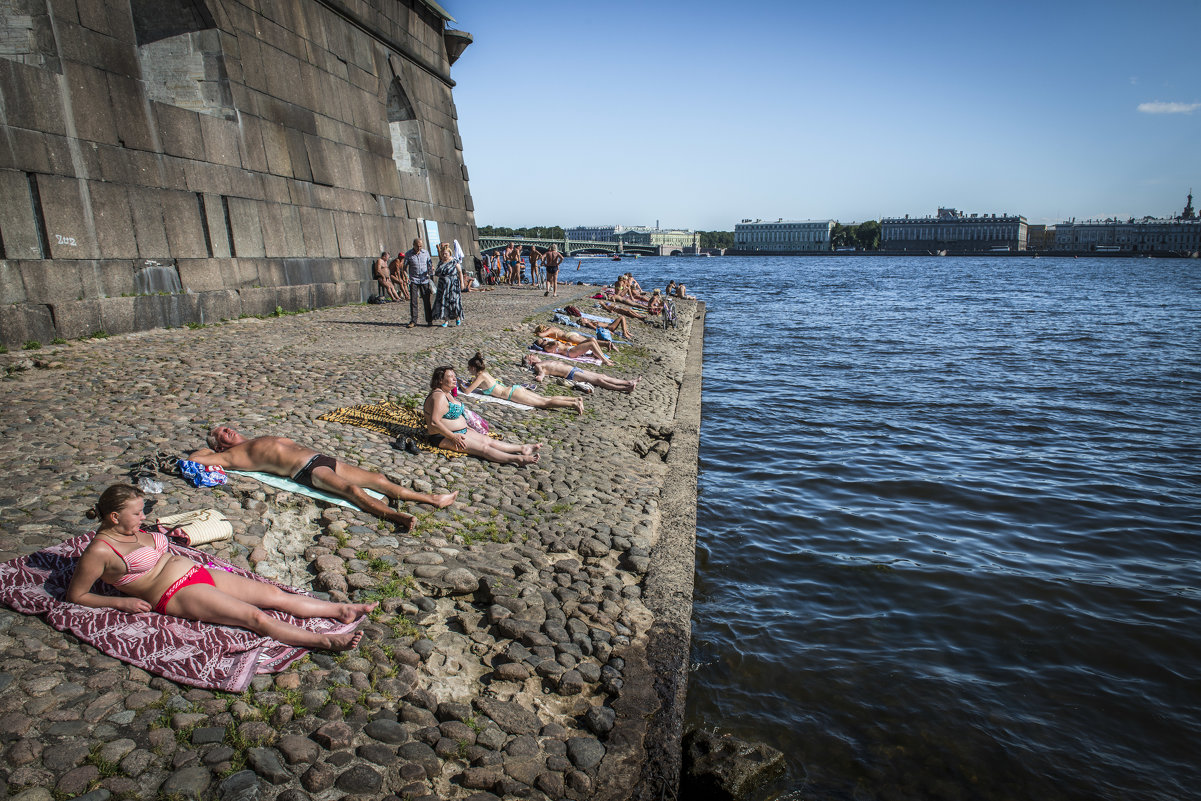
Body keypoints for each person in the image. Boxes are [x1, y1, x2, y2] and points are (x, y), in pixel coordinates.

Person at [66, 485, 372, 650]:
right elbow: (76, 596)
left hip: (196, 572)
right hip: (174, 593)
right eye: (136, 513)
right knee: (255, 617)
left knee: (271, 593)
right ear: (114, 517)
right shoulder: (99, 551)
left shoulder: (132, 530)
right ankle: (328, 641)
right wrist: (122, 602)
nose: (143, 517)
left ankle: (340, 612)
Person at [189, 427, 457, 531]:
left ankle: (433, 500)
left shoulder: (253, 440)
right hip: (306, 470)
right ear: (220, 447)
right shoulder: (232, 456)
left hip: (320, 458)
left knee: (377, 478)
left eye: (226, 427)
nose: (227, 430)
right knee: (351, 490)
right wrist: (210, 450)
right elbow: (197, 458)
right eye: (221, 434)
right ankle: (395, 516)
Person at [423, 367, 541, 465]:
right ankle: (518, 459)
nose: (455, 379)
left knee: (488, 441)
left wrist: (466, 426)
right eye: (450, 376)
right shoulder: (437, 396)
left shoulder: (446, 393)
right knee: (483, 449)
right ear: (440, 380)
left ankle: (522, 448)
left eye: (454, 375)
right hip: (444, 436)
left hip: (461, 431)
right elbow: (434, 422)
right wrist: (453, 437)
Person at [463, 352, 583, 414]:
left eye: (469, 368)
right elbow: (473, 385)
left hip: (512, 394)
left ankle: (573, 405)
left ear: (474, 368)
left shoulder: (480, 376)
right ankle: (574, 400)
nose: (468, 370)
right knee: (545, 398)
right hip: (514, 389)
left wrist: (458, 385)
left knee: (544, 403)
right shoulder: (484, 374)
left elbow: (468, 391)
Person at [523, 353, 639, 393]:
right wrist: (539, 377)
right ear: (530, 361)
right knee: (599, 381)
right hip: (571, 374)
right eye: (531, 356)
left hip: (573, 369)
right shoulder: (538, 365)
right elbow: (541, 373)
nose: (533, 355)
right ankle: (625, 388)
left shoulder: (543, 361)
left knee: (602, 376)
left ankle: (628, 382)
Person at [431, 242, 464, 327]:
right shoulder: (441, 262)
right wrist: (433, 270)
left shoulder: (454, 261)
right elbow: (437, 273)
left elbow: (460, 272)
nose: (444, 255)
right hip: (443, 285)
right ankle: (446, 320)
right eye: (443, 254)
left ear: (449, 253)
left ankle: (457, 318)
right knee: (444, 302)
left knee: (454, 302)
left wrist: (462, 283)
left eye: (446, 253)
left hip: (453, 285)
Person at [404, 237, 433, 328]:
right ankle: (413, 320)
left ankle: (429, 320)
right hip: (414, 280)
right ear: (413, 245)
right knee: (414, 301)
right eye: (417, 246)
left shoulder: (426, 253)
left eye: (421, 246)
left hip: (424, 280)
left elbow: (430, 265)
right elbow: (404, 268)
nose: (419, 248)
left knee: (427, 301)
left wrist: (431, 271)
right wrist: (406, 277)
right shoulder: (408, 254)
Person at [535, 323, 616, 353]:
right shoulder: (553, 328)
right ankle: (607, 345)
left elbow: (541, 335)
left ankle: (606, 344)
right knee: (589, 340)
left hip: (569, 337)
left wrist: (537, 333)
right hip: (571, 334)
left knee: (586, 343)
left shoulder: (550, 329)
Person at [533, 336, 614, 366]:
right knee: (591, 344)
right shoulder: (547, 348)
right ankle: (604, 360)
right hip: (570, 352)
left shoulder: (548, 345)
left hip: (571, 348)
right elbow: (556, 343)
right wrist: (548, 341)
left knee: (592, 339)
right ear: (541, 345)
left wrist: (567, 344)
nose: (545, 340)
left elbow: (559, 345)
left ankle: (603, 357)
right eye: (543, 341)